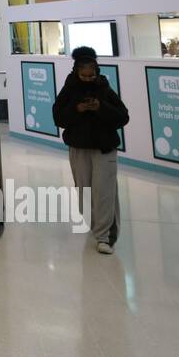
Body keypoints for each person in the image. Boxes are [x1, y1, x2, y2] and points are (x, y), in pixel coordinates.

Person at [52, 45, 129, 255]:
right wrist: (76, 109)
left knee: (105, 192)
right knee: (85, 190)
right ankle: (95, 227)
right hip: (78, 148)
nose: (88, 79)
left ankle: (105, 237)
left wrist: (100, 108)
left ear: (97, 72)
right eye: (84, 75)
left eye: (91, 75)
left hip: (104, 148)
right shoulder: (69, 91)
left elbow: (123, 116)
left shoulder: (104, 89)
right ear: (76, 72)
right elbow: (58, 118)